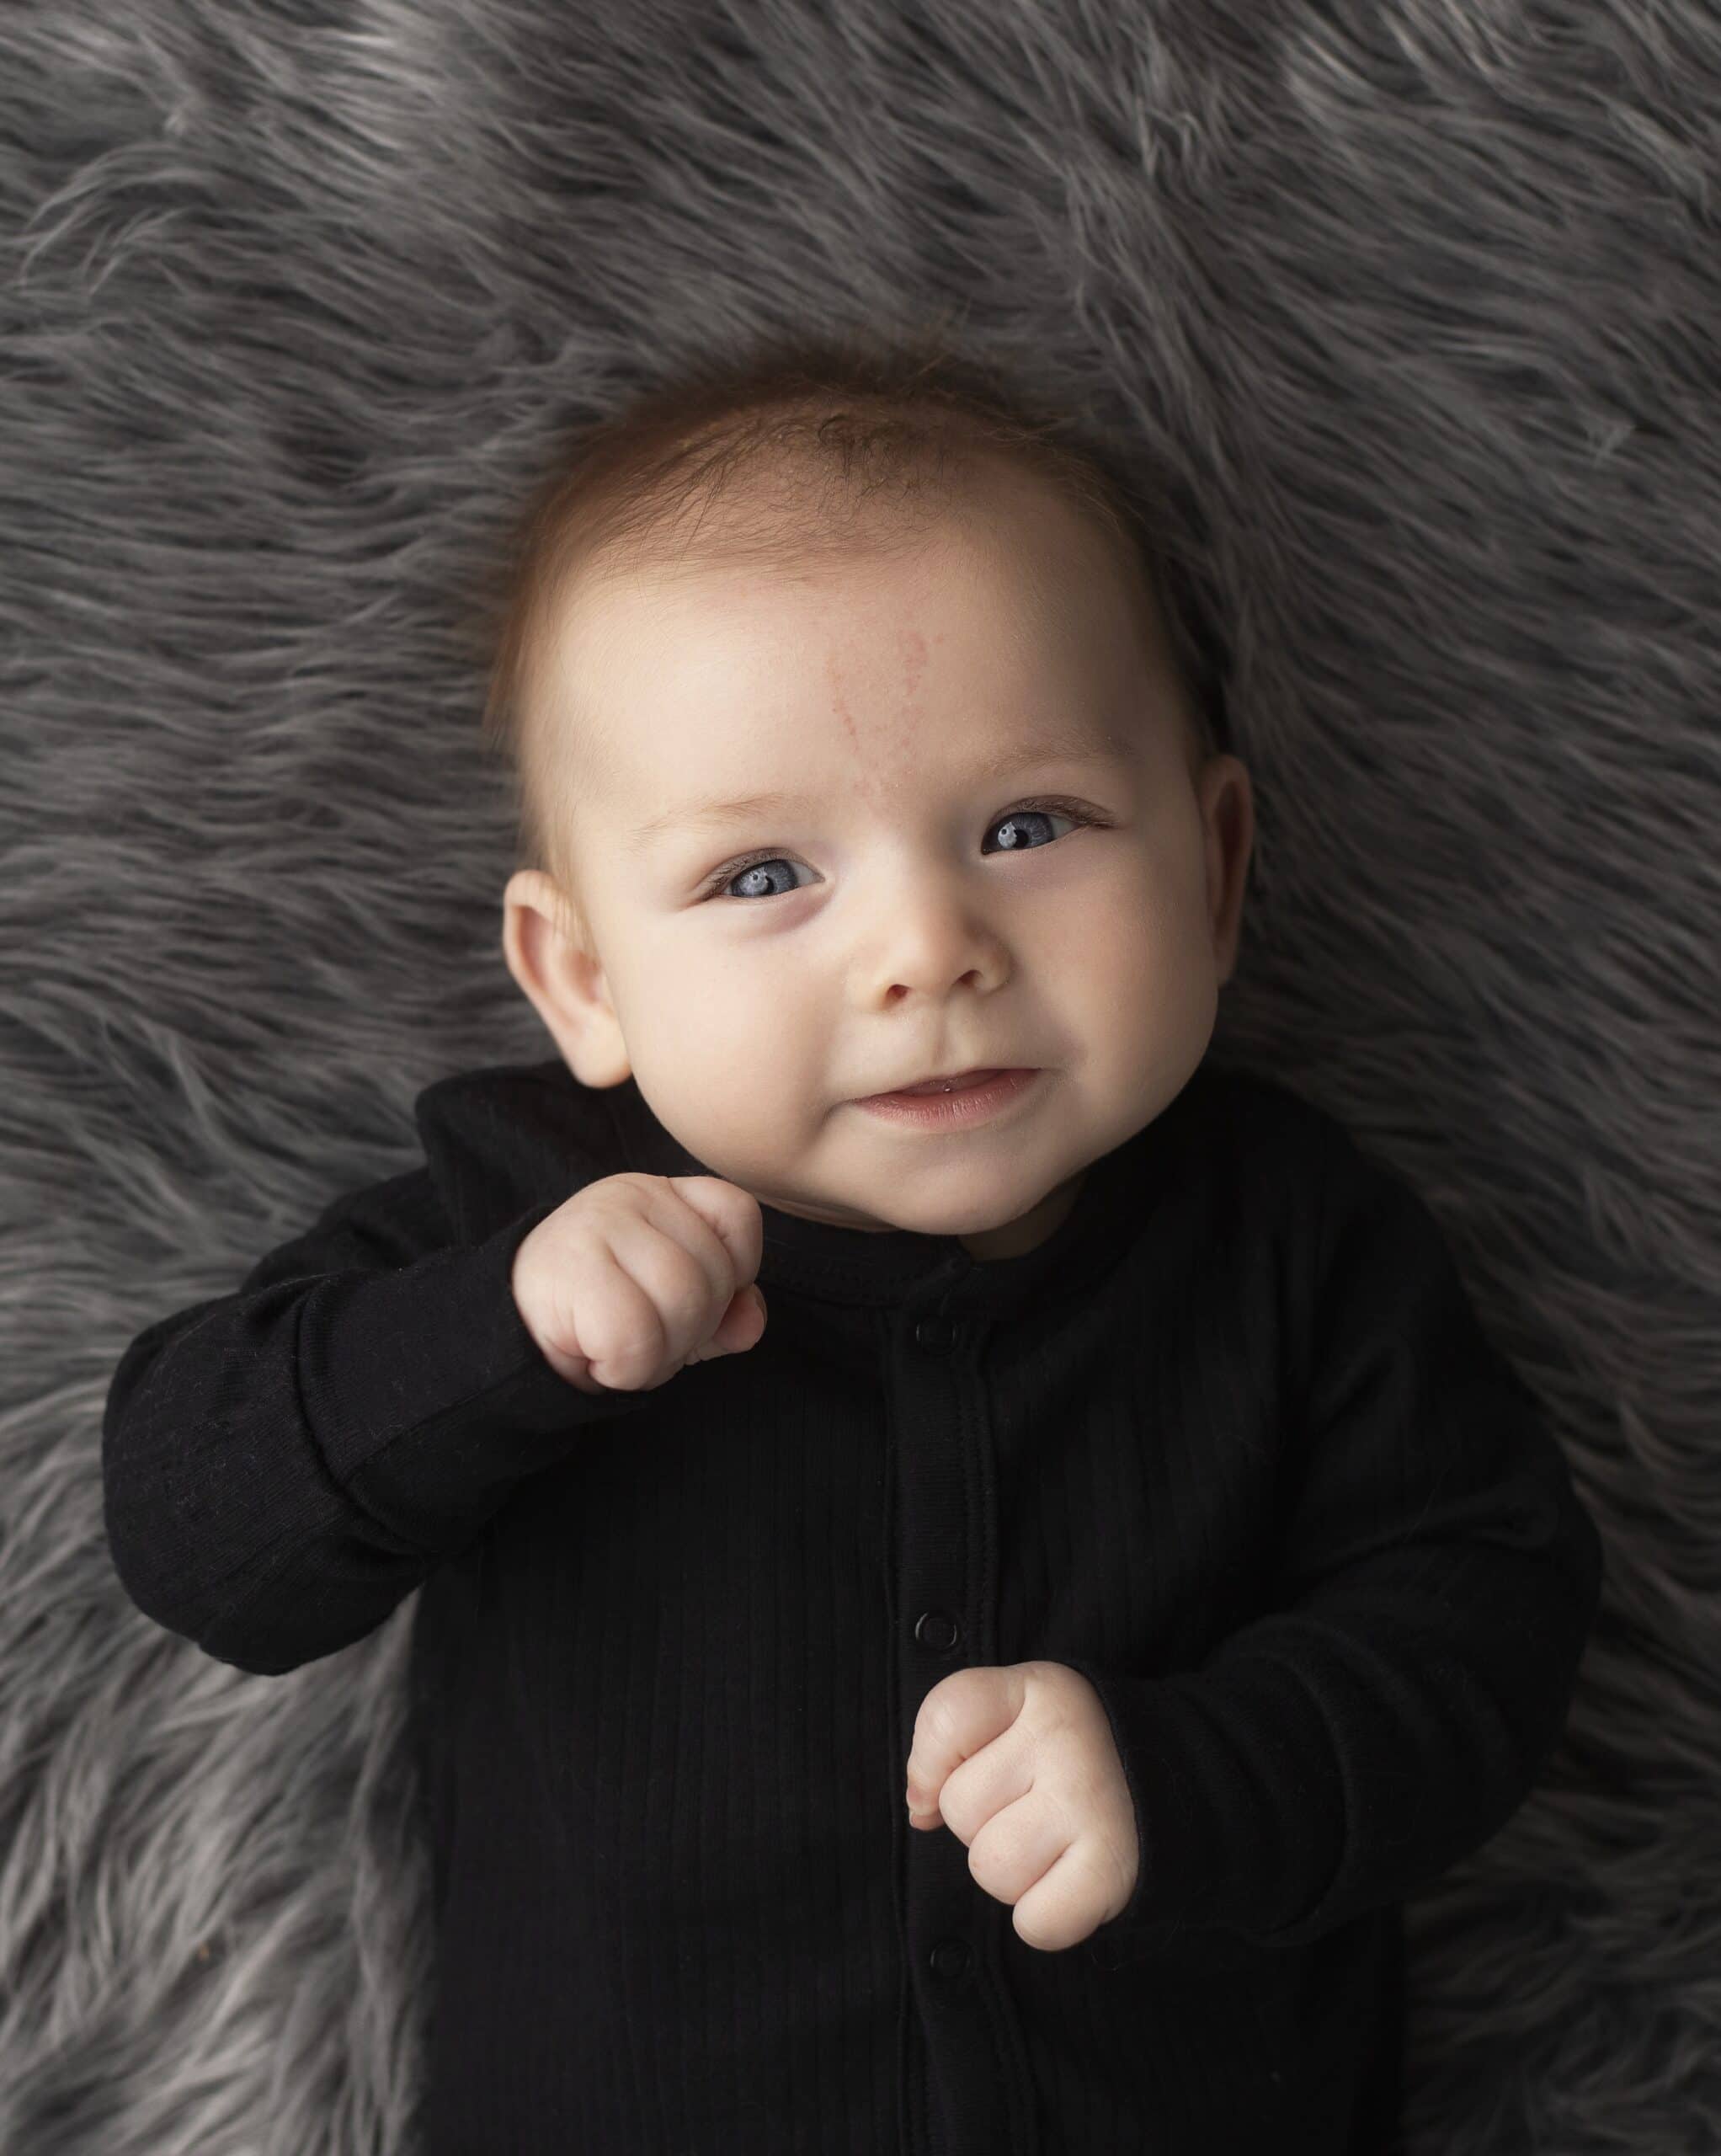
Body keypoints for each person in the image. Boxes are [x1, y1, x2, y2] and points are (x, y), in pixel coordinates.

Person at [102, 328, 1604, 2155]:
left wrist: (1196, 1767)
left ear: (1213, 873)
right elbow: (193, 1530)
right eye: (761, 875)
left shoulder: (1285, 1236)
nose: (924, 947)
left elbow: (1481, 1623)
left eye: (1024, 823)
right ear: (585, 980)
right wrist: (488, 1333)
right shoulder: (511, 1222)